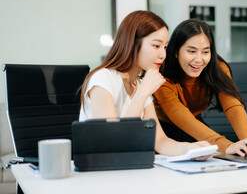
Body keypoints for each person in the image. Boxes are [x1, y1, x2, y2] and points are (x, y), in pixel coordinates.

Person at [79, 11, 209, 156]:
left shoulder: (139, 84)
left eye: (165, 47)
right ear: (133, 43)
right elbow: (113, 142)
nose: (163, 55)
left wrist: (190, 149)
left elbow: (159, 141)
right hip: (101, 171)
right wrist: (143, 93)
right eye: (156, 46)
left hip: (129, 167)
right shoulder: (102, 79)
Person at [153, 19, 247, 156]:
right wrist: (227, 146)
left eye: (205, 52)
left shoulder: (217, 68)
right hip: (165, 133)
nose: (199, 59)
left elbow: (233, 106)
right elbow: (181, 117)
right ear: (176, 51)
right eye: (191, 51)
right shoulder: (162, 76)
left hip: (197, 127)